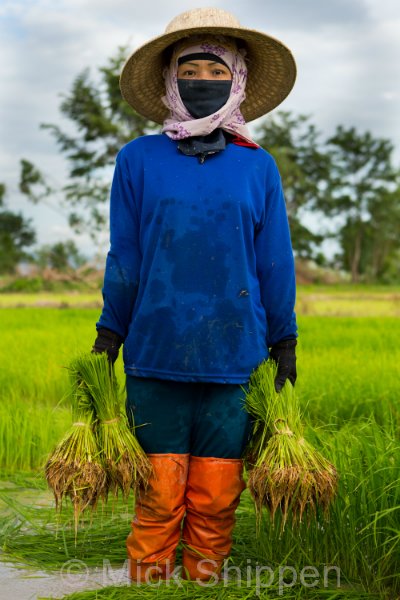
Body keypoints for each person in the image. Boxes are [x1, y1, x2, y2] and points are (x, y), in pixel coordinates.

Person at [92, 7, 298, 584]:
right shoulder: (137, 160)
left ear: (236, 80)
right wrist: (112, 330)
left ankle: (206, 583)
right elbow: (125, 253)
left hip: (235, 353)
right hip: (156, 347)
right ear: (168, 79)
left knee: (216, 490)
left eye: (215, 70)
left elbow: (274, 259)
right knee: (158, 492)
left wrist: (284, 338)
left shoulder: (258, 167)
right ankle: (150, 584)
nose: (201, 80)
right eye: (190, 68)